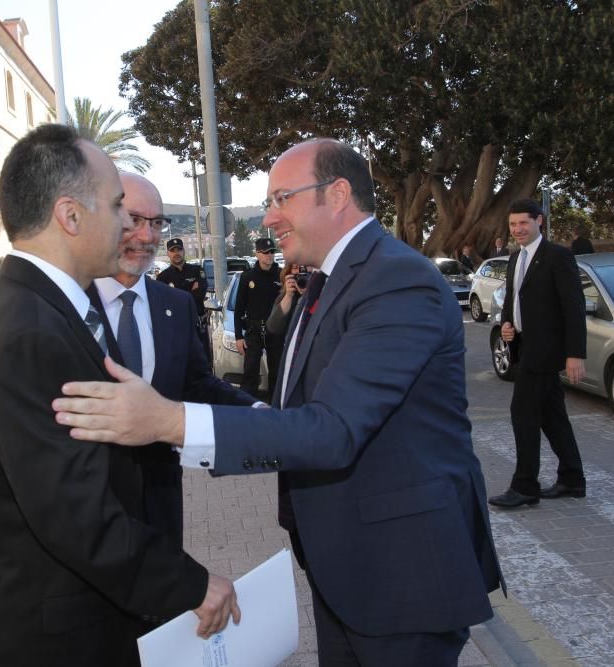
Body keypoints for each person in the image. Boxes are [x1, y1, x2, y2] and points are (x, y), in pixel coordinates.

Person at [54, 138, 503, 666]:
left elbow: (332, 429)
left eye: (281, 198)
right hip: (352, 569)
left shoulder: (396, 281)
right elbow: (298, 408)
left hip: (401, 575)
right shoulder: (329, 280)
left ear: (336, 195)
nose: (268, 218)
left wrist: (170, 422)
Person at [0, 124, 238, 666]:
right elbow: (74, 516)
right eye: (116, 207)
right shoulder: (30, 330)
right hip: (59, 636)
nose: (128, 223)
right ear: (71, 215)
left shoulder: (13, 309)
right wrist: (192, 586)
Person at [87, 172, 258, 545]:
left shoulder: (174, 305)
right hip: (89, 514)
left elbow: (197, 384)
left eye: (156, 223)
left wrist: (258, 416)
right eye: (132, 220)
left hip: (161, 502)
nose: (147, 236)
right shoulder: (65, 305)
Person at [489, 199, 588, 509]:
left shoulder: (557, 256)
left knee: (523, 415)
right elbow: (513, 300)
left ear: (539, 221)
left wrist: (575, 354)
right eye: (513, 225)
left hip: (545, 351)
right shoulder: (515, 257)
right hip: (524, 346)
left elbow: (574, 307)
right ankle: (572, 479)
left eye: (524, 223)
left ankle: (525, 486)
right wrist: (507, 324)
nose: (518, 229)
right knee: (552, 416)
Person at [234, 237, 283, 398]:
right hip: (254, 329)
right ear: (257, 254)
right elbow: (239, 308)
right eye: (265, 253)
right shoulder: (248, 277)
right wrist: (238, 336)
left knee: (276, 371)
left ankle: (276, 409)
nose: (269, 256)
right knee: (250, 371)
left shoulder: (281, 275)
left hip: (275, 329)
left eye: (272, 252)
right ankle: (247, 407)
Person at [156, 237, 212, 363]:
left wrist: (175, 295)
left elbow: (200, 294)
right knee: (181, 370)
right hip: (176, 331)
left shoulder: (197, 270)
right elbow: (164, 303)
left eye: (179, 249)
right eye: (172, 250)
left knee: (203, 367)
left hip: (198, 328)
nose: (176, 253)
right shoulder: (162, 278)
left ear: (184, 251)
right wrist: (190, 292)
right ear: (168, 254)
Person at [266, 262, 308, 339]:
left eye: (304, 269)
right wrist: (288, 296)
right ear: (289, 273)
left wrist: (308, 293)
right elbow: (272, 327)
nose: (300, 272)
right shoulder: (286, 296)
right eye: (295, 268)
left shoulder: (320, 290)